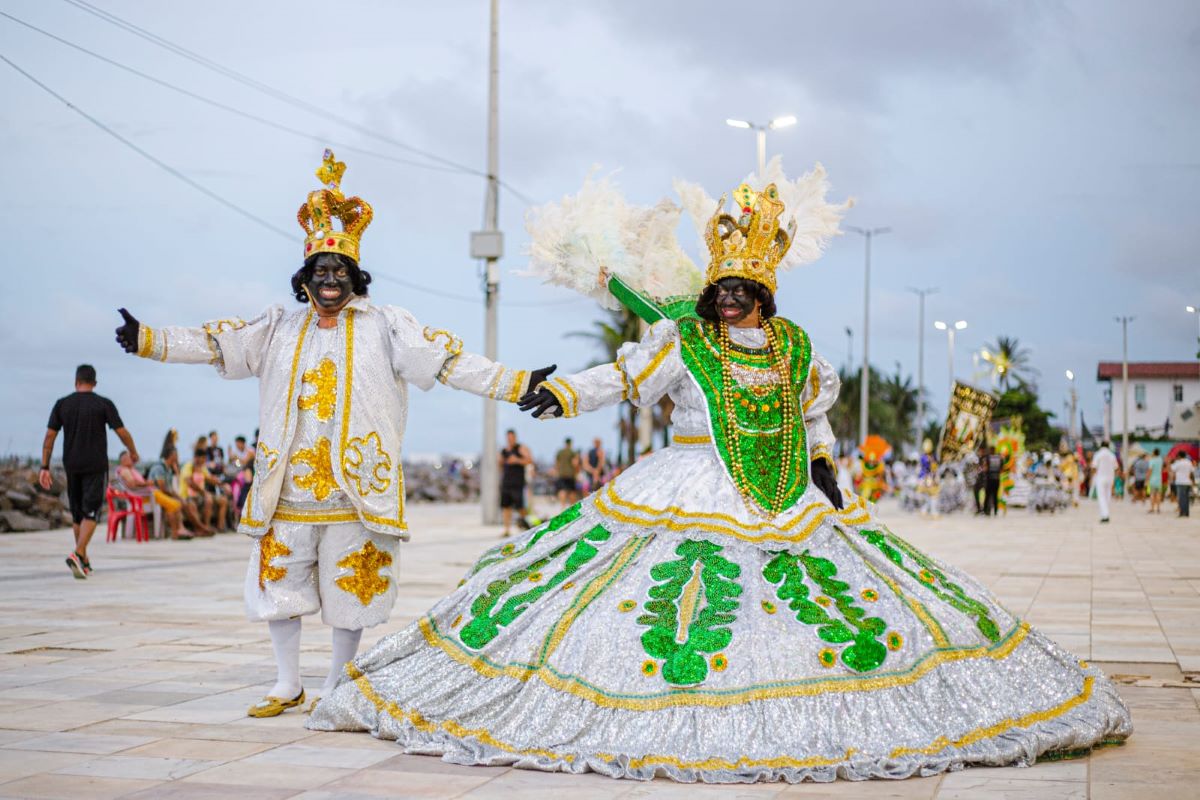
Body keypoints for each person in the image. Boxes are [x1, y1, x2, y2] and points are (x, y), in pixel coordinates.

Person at [312, 167, 1130, 780]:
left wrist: (824, 471)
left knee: (812, 609)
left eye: (744, 289)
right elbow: (624, 379)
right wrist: (563, 392)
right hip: (682, 480)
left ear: (764, 291)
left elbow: (810, 417)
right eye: (723, 287)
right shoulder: (681, 340)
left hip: (783, 492)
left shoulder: (796, 348)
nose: (731, 299)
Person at [114, 150, 551, 719]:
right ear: (305, 279)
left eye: (338, 272)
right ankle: (286, 682)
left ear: (355, 277)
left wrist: (514, 383)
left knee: (354, 591)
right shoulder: (276, 326)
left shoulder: (387, 325)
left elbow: (446, 361)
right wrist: (150, 339)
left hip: (355, 488)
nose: (328, 280)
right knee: (280, 587)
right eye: (319, 272)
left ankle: (338, 683)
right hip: (287, 487)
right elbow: (217, 343)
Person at [39, 364, 139, 579]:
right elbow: (121, 432)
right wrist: (132, 451)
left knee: (78, 515)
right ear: (94, 383)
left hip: (71, 465)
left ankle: (82, 559)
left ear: (76, 382)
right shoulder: (103, 404)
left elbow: (49, 437)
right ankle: (78, 553)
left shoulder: (62, 404)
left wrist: (44, 466)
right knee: (91, 512)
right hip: (95, 465)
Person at [145, 448, 199, 538]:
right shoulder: (159, 467)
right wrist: (176, 497)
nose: (178, 457)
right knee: (176, 504)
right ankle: (178, 531)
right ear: (172, 456)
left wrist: (178, 496)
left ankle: (179, 530)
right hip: (153, 496)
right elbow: (162, 488)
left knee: (181, 503)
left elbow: (169, 488)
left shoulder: (168, 469)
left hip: (161, 495)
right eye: (176, 455)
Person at [499, 430, 532, 537]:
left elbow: (529, 460)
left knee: (520, 506)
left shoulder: (521, 448)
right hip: (506, 481)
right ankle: (506, 529)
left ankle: (526, 524)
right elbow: (499, 463)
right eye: (508, 437)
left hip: (518, 482)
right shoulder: (504, 450)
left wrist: (517, 460)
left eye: (511, 437)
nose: (510, 439)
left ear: (515, 437)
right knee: (506, 506)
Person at [1091, 441, 1119, 523]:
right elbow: (1116, 467)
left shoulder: (1098, 454)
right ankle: (1105, 513)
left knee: (1101, 497)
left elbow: (1094, 467)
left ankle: (1105, 515)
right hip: (1110, 478)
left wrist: (1093, 476)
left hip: (1100, 477)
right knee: (1107, 496)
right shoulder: (1112, 455)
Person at [553, 437, 580, 508]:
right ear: (571, 443)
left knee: (562, 490)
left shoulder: (560, 452)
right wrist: (577, 472)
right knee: (572, 491)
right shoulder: (572, 452)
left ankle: (563, 506)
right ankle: (572, 507)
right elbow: (575, 463)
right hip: (570, 474)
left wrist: (558, 471)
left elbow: (556, 463)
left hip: (562, 474)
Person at [1171, 452, 1195, 518]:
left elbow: (1172, 469)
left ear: (1179, 456)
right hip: (1187, 482)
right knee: (1186, 498)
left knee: (1181, 498)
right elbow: (1192, 471)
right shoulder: (1189, 462)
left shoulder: (1178, 462)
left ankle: (1182, 513)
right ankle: (1187, 513)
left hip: (1180, 482)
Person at [1147, 447, 1164, 514]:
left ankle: (1152, 508)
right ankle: (1158, 508)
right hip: (1159, 479)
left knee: (1152, 494)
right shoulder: (1160, 460)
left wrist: (1147, 479)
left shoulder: (1152, 460)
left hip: (1152, 479)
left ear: (1154, 453)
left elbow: (1150, 470)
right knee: (1158, 494)